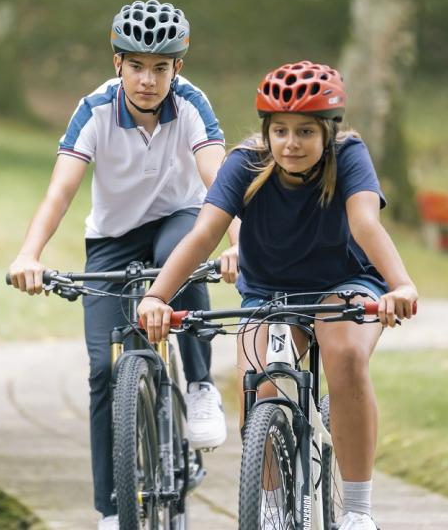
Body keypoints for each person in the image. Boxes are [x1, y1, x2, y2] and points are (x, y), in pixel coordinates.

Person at [137, 60, 418, 530]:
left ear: (329, 132)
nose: (291, 143)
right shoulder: (243, 163)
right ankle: (267, 504)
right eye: (281, 130)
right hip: (270, 290)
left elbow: (365, 223)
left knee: (344, 352)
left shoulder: (349, 157)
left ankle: (357, 510)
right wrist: (158, 296)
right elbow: (205, 233)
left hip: (345, 282)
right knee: (259, 380)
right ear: (266, 131)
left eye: (306, 131)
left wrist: (402, 284)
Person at [8, 0, 239, 530]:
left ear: (178, 68)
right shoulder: (93, 109)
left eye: (161, 68)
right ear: (117, 64)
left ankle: (200, 385)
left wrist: (237, 245)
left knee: (176, 256)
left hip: (179, 221)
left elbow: (218, 183)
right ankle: (112, 511)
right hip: (111, 239)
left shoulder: (193, 104)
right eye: (136, 65)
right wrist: (30, 254)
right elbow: (60, 190)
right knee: (101, 371)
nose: (148, 80)